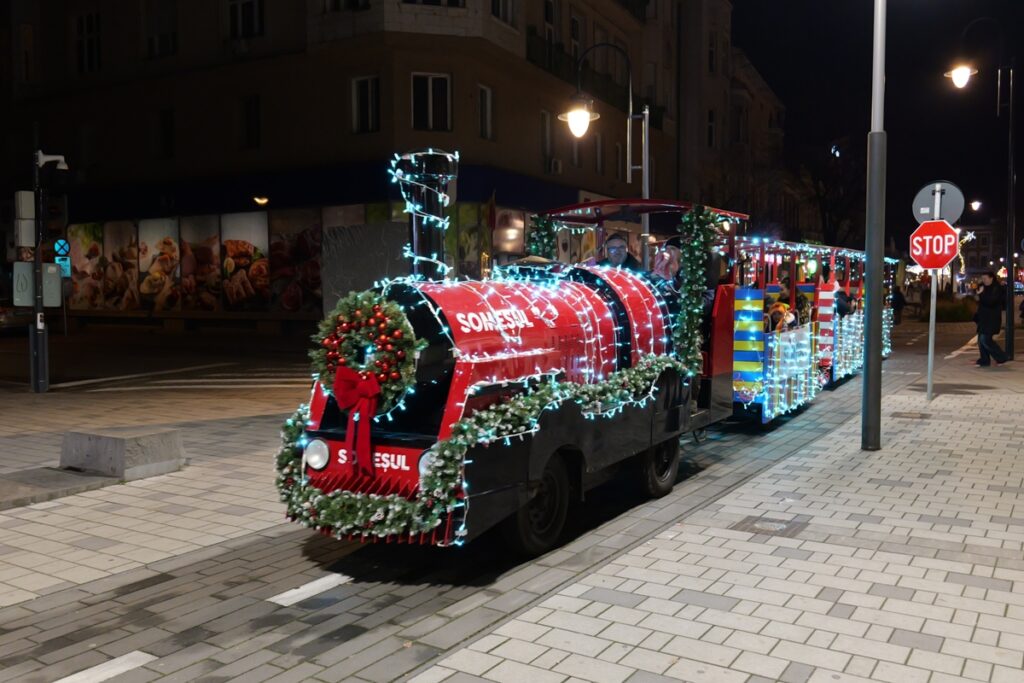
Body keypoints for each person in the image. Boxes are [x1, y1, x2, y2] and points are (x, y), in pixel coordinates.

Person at [973, 271, 1009, 367]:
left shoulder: (996, 288)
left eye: (985, 278)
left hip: (992, 318)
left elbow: (990, 302)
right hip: (983, 318)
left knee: (985, 339)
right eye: (982, 278)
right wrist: (978, 293)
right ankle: (984, 360)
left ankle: (1001, 357)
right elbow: (979, 299)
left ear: (991, 278)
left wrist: (980, 294)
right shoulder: (983, 287)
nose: (983, 280)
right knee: (981, 340)